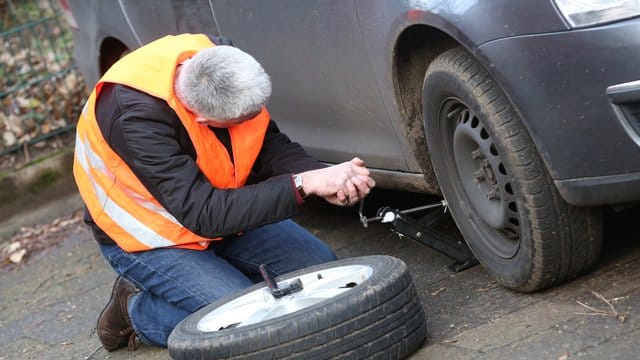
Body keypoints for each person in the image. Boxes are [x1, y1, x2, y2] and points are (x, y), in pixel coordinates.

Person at [72, 33, 375, 351]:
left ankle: (220, 285)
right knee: (241, 317)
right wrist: (302, 185)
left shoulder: (222, 66)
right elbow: (203, 214)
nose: (253, 121)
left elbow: (267, 144)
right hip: (149, 237)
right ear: (202, 119)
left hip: (216, 211)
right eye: (239, 121)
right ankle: (136, 312)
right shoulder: (134, 118)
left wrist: (319, 175)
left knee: (319, 268)